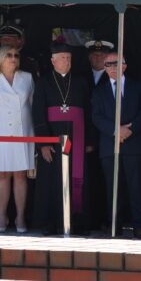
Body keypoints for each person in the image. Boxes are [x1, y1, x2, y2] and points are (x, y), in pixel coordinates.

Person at [32, 42, 93, 234]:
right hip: (53, 139)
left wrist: (90, 141)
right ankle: (51, 223)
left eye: (69, 58)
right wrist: (43, 143)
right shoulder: (43, 82)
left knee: (78, 179)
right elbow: (37, 113)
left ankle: (78, 223)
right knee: (51, 181)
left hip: (78, 136)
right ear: (53, 61)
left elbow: (89, 111)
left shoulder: (82, 81)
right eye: (62, 58)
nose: (66, 61)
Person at [91, 49, 141, 238]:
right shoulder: (98, 91)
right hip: (110, 145)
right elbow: (96, 117)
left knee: (136, 188)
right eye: (108, 64)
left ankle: (139, 225)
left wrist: (129, 130)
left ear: (124, 65)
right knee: (113, 188)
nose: (113, 67)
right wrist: (117, 131)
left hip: (135, 144)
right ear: (104, 67)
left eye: (117, 63)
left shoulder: (139, 87)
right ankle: (115, 225)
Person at [0, 45, 35, 233]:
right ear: (0, 59)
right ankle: (2, 216)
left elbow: (32, 106)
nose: (13, 58)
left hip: (23, 133)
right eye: (9, 55)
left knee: (21, 175)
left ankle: (20, 216)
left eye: (16, 55)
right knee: (2, 175)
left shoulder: (27, 78)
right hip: (0, 134)